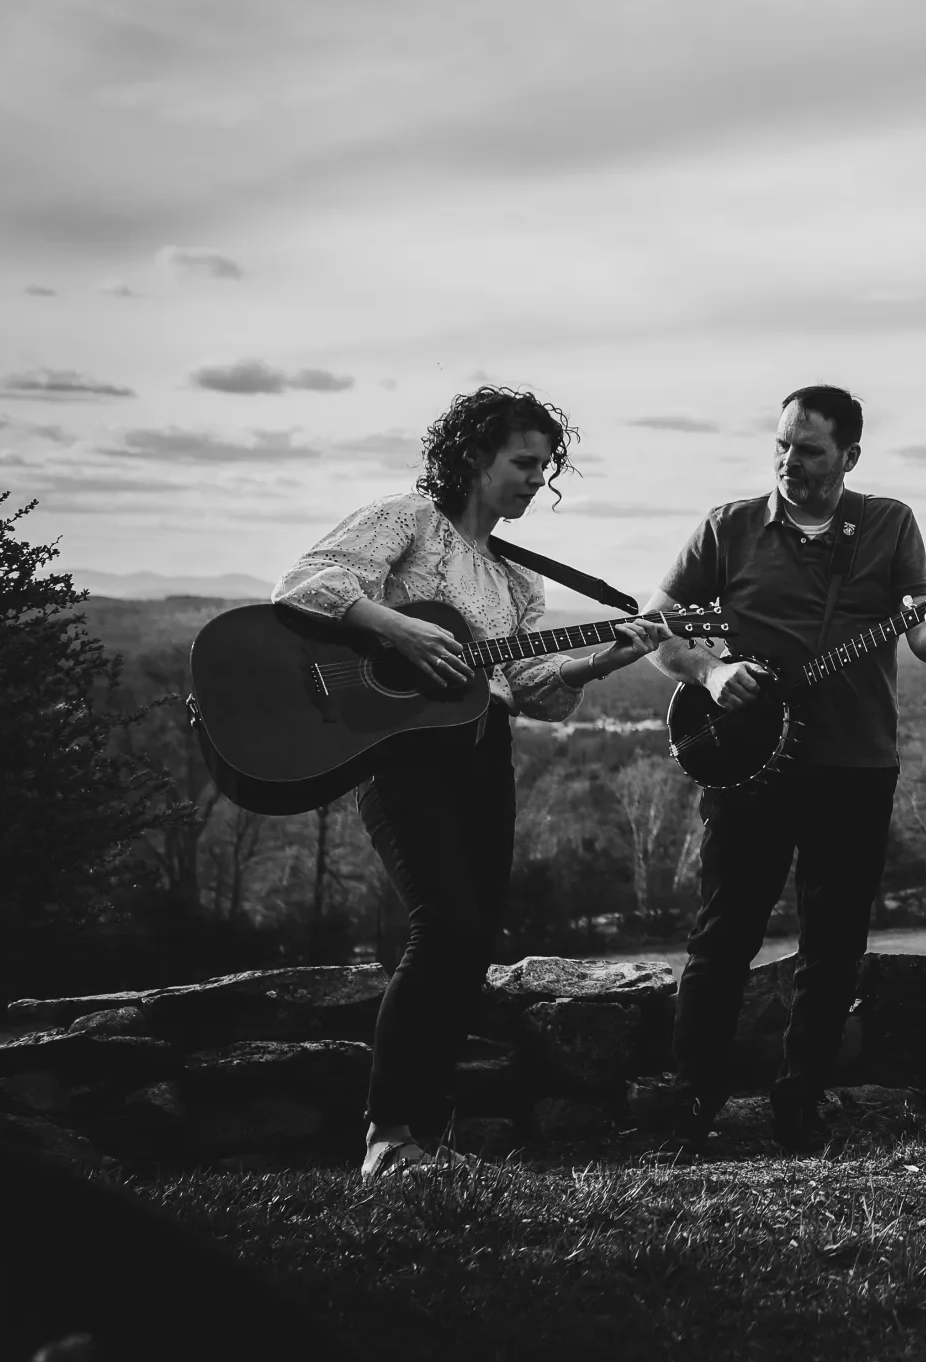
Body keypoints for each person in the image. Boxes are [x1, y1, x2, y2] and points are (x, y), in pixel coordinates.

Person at [272, 388, 667, 1178]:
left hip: (482, 750)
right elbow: (304, 581)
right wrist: (396, 625)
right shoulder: (408, 522)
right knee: (443, 924)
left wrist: (612, 653)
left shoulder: (519, 581)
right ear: (474, 457)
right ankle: (387, 1136)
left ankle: (429, 1134)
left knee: (473, 938)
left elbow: (529, 686)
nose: (536, 479)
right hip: (402, 752)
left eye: (544, 466)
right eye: (524, 462)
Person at [645, 386, 926, 1154]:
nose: (790, 461)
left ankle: (801, 1101)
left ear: (849, 457)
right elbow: (655, 627)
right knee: (724, 936)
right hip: (749, 768)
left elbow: (924, 641)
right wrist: (713, 677)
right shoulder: (729, 527)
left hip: (855, 767)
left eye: (809, 449)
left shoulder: (890, 525)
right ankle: (696, 1098)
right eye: (782, 444)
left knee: (833, 945)